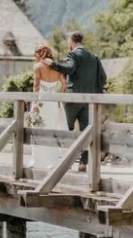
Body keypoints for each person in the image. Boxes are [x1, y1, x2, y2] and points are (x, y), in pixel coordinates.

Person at [45, 31, 107, 171]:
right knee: (86, 132)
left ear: (71, 41)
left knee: (67, 128)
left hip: (72, 99)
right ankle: (83, 163)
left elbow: (69, 69)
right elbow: (103, 77)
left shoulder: (73, 54)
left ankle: (64, 162)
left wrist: (52, 64)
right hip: (90, 101)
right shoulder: (94, 57)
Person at [31, 44, 66, 169]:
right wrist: (59, 97)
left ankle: (37, 161)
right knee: (52, 130)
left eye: (35, 53)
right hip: (53, 103)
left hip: (40, 102)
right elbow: (63, 84)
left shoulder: (38, 67)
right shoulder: (56, 67)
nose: (34, 56)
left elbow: (36, 86)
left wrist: (35, 103)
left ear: (39, 53)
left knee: (37, 130)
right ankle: (53, 161)